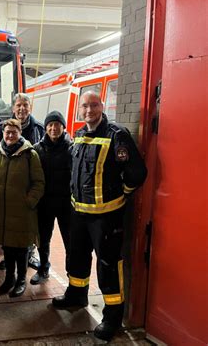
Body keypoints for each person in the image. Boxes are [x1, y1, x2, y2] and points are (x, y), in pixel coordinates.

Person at [52, 92, 147, 341]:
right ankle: (76, 294)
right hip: (79, 214)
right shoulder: (80, 135)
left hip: (106, 218)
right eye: (85, 105)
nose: (89, 110)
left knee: (108, 267)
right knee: (77, 258)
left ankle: (112, 318)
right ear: (79, 110)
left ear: (102, 107)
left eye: (94, 105)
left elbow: (137, 173)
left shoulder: (117, 135)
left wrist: (122, 194)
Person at [0, 119, 45, 297]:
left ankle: (21, 280)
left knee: (22, 249)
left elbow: (39, 182)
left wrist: (29, 201)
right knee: (8, 248)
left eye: (14, 132)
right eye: (7, 132)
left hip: (22, 212)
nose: (10, 135)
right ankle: (9, 278)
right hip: (2, 211)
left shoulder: (30, 154)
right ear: (3, 133)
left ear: (20, 133)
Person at [0, 93, 45, 270]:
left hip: (28, 189)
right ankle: (9, 259)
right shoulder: (2, 128)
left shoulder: (39, 128)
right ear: (13, 108)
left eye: (25, 105)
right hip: (7, 190)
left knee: (28, 227)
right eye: (18, 105)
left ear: (30, 107)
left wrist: (31, 198)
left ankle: (29, 256)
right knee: (9, 226)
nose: (22, 108)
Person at [32, 111, 73, 284]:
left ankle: (73, 274)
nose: (53, 128)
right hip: (45, 203)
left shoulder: (72, 148)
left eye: (57, 124)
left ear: (63, 127)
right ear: (46, 127)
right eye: (50, 125)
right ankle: (43, 269)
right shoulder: (37, 149)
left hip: (66, 204)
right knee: (43, 239)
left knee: (70, 241)